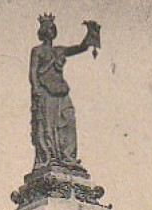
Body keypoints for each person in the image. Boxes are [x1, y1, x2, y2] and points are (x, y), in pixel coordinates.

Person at [29, 15, 100, 172]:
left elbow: (80, 48)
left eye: (53, 27)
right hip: (46, 92)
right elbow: (33, 72)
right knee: (47, 125)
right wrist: (36, 89)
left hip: (61, 91)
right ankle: (50, 157)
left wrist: (90, 33)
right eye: (49, 27)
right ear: (42, 31)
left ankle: (68, 158)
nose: (52, 30)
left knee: (68, 120)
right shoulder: (37, 51)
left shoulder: (60, 50)